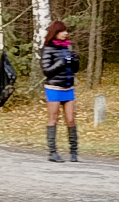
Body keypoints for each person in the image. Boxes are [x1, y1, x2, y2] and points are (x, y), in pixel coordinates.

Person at [40, 21, 80, 162]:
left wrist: (75, 61)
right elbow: (47, 71)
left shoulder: (67, 47)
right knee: (54, 118)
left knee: (70, 119)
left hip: (68, 87)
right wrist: (62, 62)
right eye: (63, 31)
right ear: (55, 33)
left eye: (66, 31)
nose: (66, 33)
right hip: (54, 88)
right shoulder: (47, 49)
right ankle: (52, 152)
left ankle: (74, 152)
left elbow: (75, 69)